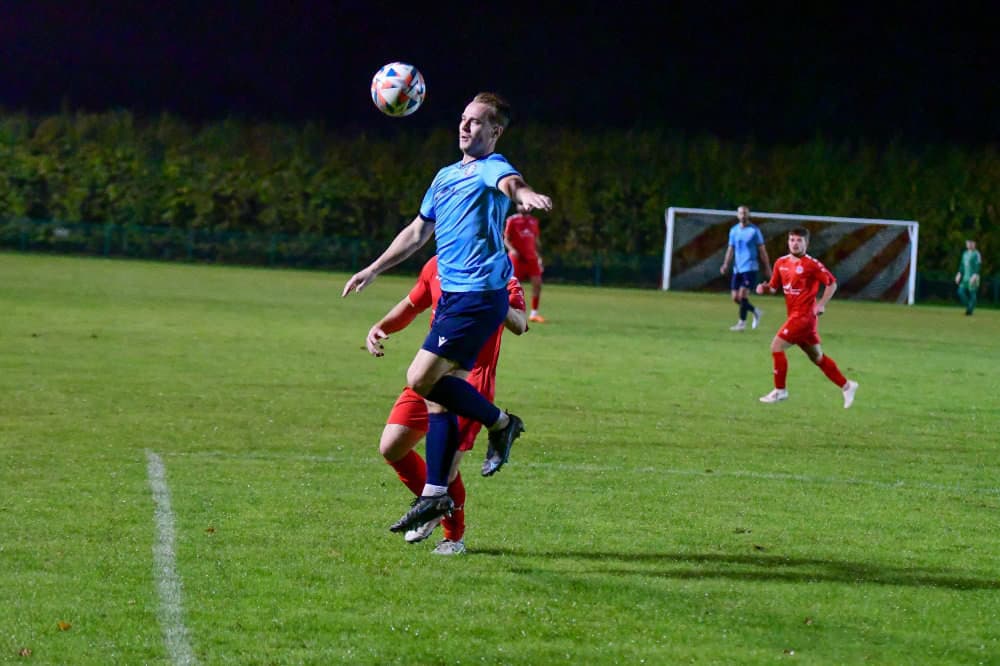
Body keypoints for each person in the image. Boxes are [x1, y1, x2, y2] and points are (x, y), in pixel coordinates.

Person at [342, 92, 552, 534]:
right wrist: (374, 269)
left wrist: (526, 194)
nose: (465, 126)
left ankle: (501, 423)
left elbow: (511, 183)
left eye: (476, 122)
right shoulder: (444, 177)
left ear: (495, 131)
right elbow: (418, 231)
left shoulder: (491, 167)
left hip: (478, 295)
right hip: (455, 299)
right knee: (438, 396)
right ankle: (436, 494)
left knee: (419, 377)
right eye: (463, 119)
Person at [367, 256, 528, 556]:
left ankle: (453, 537)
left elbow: (520, 324)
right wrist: (381, 326)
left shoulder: (499, 271)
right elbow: (412, 304)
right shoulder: (438, 264)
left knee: (447, 470)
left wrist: (492, 298)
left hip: (470, 382)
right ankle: (433, 504)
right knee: (392, 447)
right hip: (431, 372)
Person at [755, 227, 859, 408]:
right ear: (788, 242)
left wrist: (821, 304)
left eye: (799, 240)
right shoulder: (780, 263)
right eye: (792, 240)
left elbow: (832, 283)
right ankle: (847, 386)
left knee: (776, 346)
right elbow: (773, 287)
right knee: (817, 357)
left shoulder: (812, 264)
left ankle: (780, 390)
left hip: (804, 317)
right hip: (797, 317)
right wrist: (764, 289)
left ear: (806, 243)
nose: (795, 244)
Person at [720, 205, 771, 331]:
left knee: (742, 295)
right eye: (741, 213)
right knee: (735, 297)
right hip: (737, 268)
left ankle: (741, 323)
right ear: (737, 215)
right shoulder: (734, 231)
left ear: (748, 215)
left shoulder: (754, 231)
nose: (743, 215)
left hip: (750, 267)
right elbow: (731, 249)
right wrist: (726, 264)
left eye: (745, 213)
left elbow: (762, 250)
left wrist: (767, 267)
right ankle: (755, 311)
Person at [504, 204, 546, 322]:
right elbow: (506, 239)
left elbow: (536, 241)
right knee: (512, 286)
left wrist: (539, 257)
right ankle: (505, 311)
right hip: (517, 258)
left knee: (537, 284)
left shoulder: (534, 221)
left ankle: (534, 314)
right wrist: (512, 250)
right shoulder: (512, 220)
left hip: (531, 258)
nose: (524, 207)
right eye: (521, 204)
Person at [955, 239, 982, 316]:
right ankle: (969, 307)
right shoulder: (965, 253)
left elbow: (978, 265)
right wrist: (959, 274)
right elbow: (962, 265)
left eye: (971, 243)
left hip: (973, 277)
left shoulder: (976, 254)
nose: (969, 244)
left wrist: (975, 275)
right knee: (960, 292)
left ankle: (969, 311)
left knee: (972, 293)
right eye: (967, 243)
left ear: (974, 244)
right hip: (965, 278)